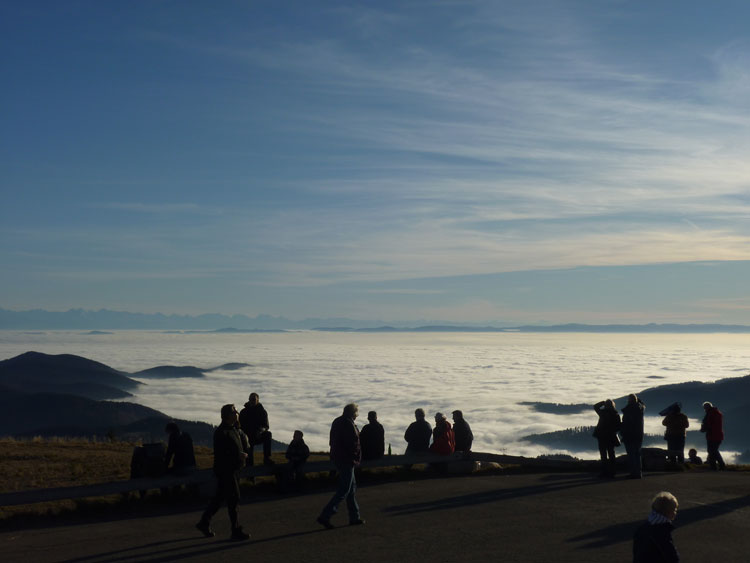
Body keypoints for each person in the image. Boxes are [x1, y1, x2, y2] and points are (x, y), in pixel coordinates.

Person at [196, 404, 250, 541]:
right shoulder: (222, 432)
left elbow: (244, 444)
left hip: (233, 469)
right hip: (227, 470)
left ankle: (204, 522)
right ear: (228, 415)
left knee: (219, 498)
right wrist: (238, 456)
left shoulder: (233, 429)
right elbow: (222, 454)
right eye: (234, 412)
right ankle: (236, 530)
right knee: (234, 498)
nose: (237, 413)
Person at [317, 403, 365, 529]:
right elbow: (352, 443)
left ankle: (355, 517)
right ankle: (325, 515)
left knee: (351, 489)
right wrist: (354, 457)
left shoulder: (338, 421)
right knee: (345, 489)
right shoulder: (348, 424)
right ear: (353, 413)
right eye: (357, 413)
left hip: (341, 458)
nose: (357, 415)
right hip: (347, 460)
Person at [632, 491, 680, 562]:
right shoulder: (662, 531)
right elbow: (672, 557)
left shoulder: (642, 528)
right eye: (674, 510)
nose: (675, 513)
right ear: (669, 512)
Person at [239, 392, 274, 466]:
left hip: (258, 435)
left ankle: (267, 458)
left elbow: (266, 426)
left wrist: (260, 431)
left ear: (258, 400)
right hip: (247, 437)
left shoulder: (262, 412)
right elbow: (240, 427)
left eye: (254, 399)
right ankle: (250, 474)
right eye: (251, 399)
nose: (252, 401)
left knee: (268, 434)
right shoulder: (243, 412)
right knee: (249, 458)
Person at [593, 399, 621, 478]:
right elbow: (618, 426)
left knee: (603, 455)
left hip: (602, 437)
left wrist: (602, 402)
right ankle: (613, 472)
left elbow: (595, 407)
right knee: (611, 454)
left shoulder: (603, 413)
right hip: (611, 436)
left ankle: (604, 472)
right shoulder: (616, 414)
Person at [621, 394, 645, 479]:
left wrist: (623, 432)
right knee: (637, 454)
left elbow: (627, 424)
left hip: (630, 435)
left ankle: (633, 473)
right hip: (639, 434)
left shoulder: (629, 410)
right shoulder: (640, 408)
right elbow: (643, 404)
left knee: (631, 454)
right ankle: (638, 472)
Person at [700, 401, 726, 470]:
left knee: (713, 451)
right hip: (715, 435)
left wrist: (705, 428)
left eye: (705, 408)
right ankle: (716, 466)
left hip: (714, 435)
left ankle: (718, 466)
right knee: (713, 451)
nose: (705, 409)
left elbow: (711, 424)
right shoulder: (715, 413)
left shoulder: (712, 414)